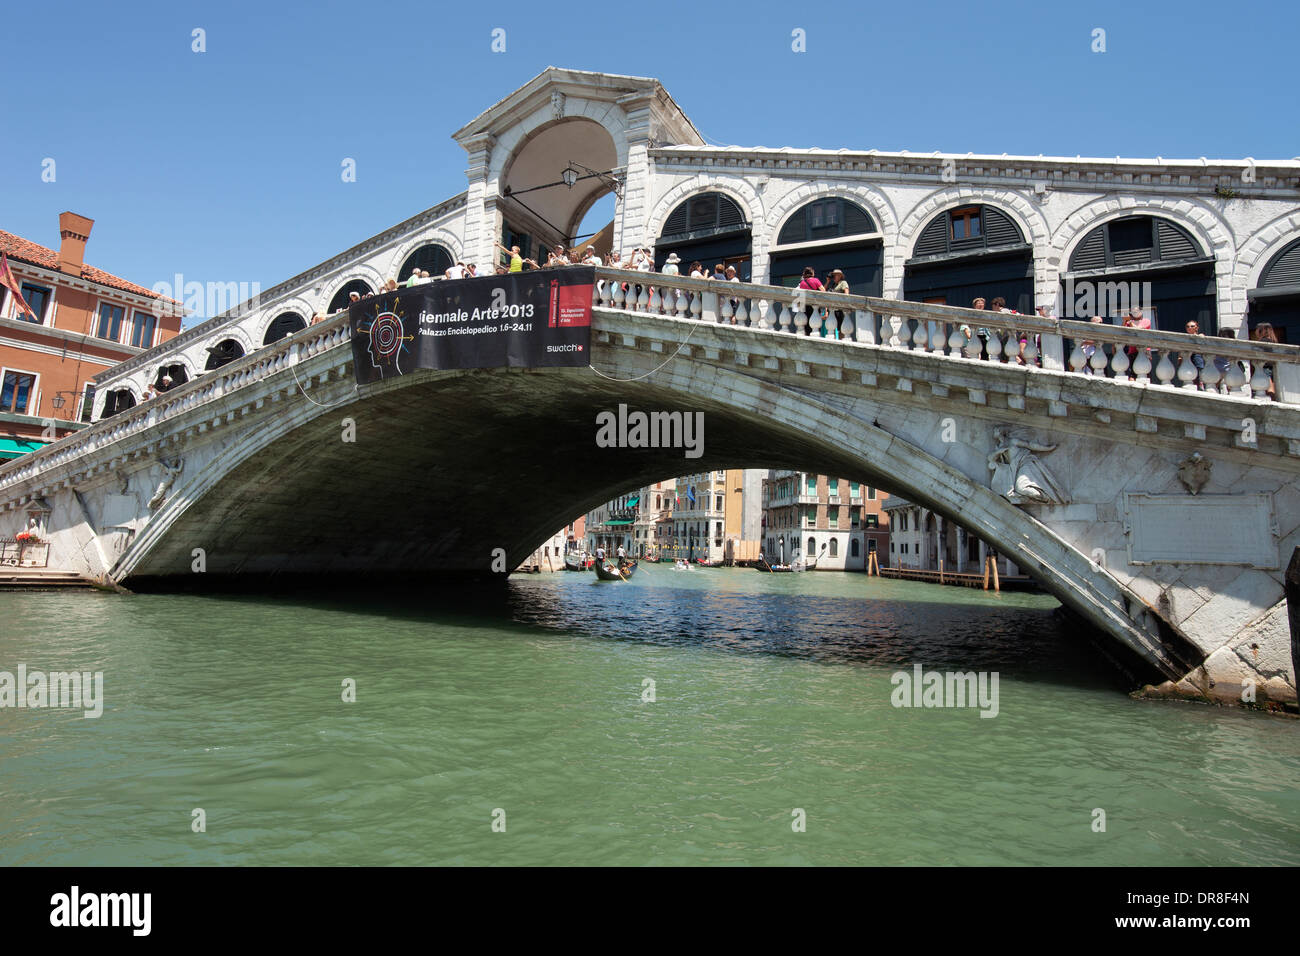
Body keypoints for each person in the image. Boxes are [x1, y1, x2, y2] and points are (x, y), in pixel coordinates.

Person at [1182, 320, 1206, 389]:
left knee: (1200, 376)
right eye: (1188, 326)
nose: (1190, 328)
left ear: (1197, 328)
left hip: (1198, 359)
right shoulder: (1184, 338)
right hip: (1188, 359)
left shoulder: (1200, 336)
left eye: (1192, 326)